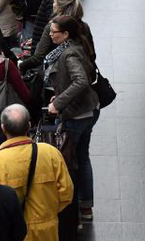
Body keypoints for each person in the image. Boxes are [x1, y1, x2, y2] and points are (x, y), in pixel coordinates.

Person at [0, 104, 73, 241]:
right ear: (29, 126)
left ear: (3, 128)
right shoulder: (50, 153)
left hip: (13, 232)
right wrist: (48, 214)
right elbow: (66, 193)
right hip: (47, 231)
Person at [45, 16, 99, 223]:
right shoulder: (78, 45)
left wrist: (58, 104)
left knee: (70, 163)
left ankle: (71, 210)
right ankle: (86, 208)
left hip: (76, 115)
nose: (50, 34)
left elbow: (81, 81)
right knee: (82, 158)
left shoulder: (68, 55)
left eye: (54, 31)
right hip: (89, 110)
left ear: (65, 34)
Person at [20, 0, 94, 74]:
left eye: (54, 2)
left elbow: (38, 57)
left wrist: (22, 66)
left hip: (56, 77)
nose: (53, 4)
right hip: (83, 72)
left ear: (59, 7)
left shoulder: (52, 28)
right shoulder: (84, 26)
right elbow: (91, 54)